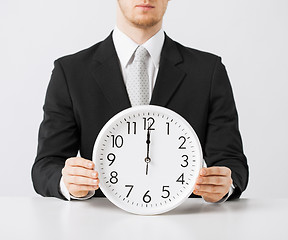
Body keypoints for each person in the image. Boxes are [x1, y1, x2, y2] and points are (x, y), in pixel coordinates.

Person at [32, 0, 248, 203]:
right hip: (99, 222)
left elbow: (232, 162)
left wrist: (223, 186)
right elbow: (46, 164)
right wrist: (68, 182)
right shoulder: (70, 72)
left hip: (183, 220)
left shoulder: (207, 71)